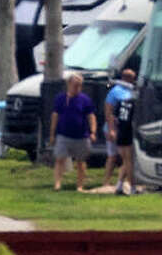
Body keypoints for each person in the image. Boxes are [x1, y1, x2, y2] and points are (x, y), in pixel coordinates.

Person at [50, 69, 98, 192]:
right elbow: (55, 116)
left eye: (79, 85)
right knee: (60, 159)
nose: (77, 87)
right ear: (69, 84)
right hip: (63, 134)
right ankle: (57, 184)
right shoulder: (60, 98)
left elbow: (91, 116)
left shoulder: (85, 100)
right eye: (75, 85)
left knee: (81, 162)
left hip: (81, 136)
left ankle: (80, 186)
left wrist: (93, 131)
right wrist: (52, 134)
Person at [103, 63, 136, 195]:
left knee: (126, 159)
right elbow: (108, 111)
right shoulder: (115, 91)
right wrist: (111, 129)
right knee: (115, 157)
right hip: (118, 128)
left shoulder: (132, 91)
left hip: (126, 128)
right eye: (131, 77)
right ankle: (106, 182)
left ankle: (119, 185)